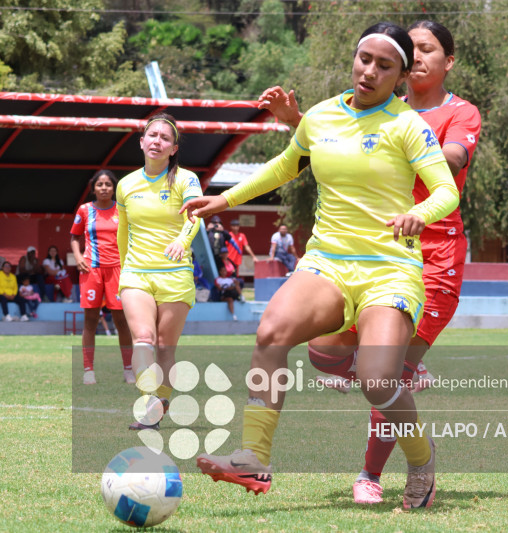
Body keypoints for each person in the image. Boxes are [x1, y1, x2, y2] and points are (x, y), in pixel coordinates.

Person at [183, 22, 459, 510]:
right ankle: (254, 457)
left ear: (400, 76)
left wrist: (420, 213)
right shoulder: (322, 116)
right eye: (364, 59)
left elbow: (445, 190)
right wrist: (223, 200)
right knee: (271, 331)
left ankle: (421, 460)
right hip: (328, 262)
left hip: (388, 268)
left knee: (378, 382)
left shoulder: (407, 125)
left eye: (385, 65)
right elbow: (286, 165)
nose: (369, 70)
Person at [258, 19, 481, 505]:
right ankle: (369, 372)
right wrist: (307, 127)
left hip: (432, 255)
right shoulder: (364, 107)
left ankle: (376, 474)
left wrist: (398, 141)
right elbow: (339, 148)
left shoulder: (455, 114)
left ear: (447, 62)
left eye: (428, 50)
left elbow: (451, 161)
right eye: (412, 49)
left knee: (384, 377)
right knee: (323, 352)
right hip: (357, 253)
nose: (419, 56)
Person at [116, 112, 203, 430]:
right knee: (143, 338)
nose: (157, 141)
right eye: (152, 135)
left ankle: (160, 400)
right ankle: (149, 401)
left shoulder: (185, 179)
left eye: (165, 138)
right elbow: (122, 232)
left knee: (166, 347)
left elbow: (196, 214)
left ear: (173, 149)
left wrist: (183, 239)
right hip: (136, 273)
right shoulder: (126, 185)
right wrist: (124, 269)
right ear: (141, 142)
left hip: (176, 274)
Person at [70, 169, 135, 385]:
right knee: (90, 322)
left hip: (118, 270)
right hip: (91, 271)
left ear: (114, 187)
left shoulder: (123, 210)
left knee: (122, 322)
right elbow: (74, 236)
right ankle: (88, 370)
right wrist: (78, 256)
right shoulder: (85, 210)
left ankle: (128, 370)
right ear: (93, 188)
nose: (104, 188)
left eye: (108, 184)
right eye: (100, 184)